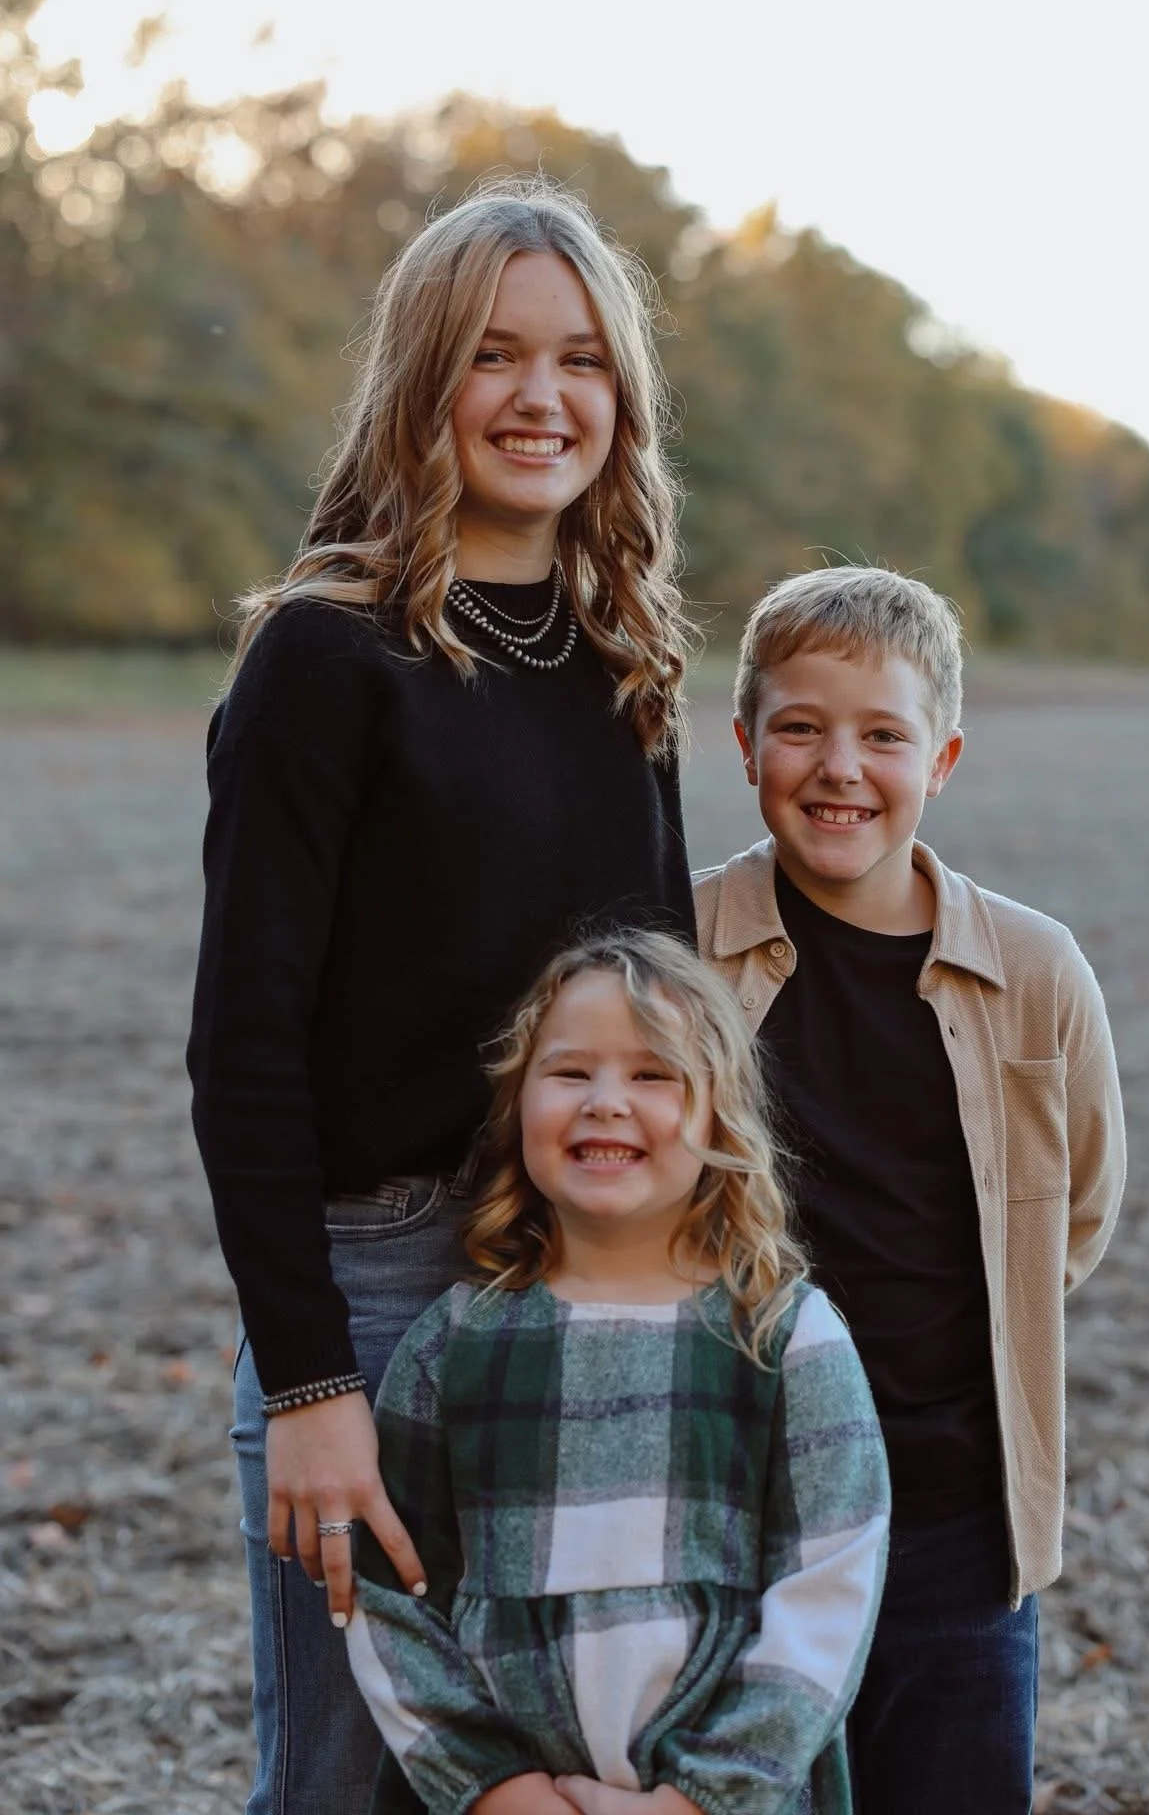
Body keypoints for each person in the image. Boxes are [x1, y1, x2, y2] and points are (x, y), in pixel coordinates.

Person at [186, 180, 699, 1815]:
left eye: (578, 360)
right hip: (380, 1290)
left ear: (619, 397)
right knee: (349, 1783)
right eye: (495, 354)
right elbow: (244, 1047)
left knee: (548, 1776)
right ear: (425, 379)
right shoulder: (325, 659)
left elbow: (668, 1020)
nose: (541, 397)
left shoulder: (627, 666)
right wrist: (310, 1384)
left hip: (583, 1281)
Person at [693, 564, 1126, 1814]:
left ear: (940, 757)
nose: (840, 766)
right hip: (733, 1520)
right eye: (800, 727)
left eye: (881, 734)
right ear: (744, 745)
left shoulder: (1034, 973)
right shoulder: (675, 949)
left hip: (954, 1523)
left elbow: (1077, 1213)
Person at [344, 928, 890, 1815]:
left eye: (653, 1075)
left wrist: (700, 1800)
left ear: (721, 1113)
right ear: (518, 1104)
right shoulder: (455, 1343)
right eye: (569, 1073)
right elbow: (388, 1593)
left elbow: (830, 1593)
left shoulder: (786, 1338)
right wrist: (495, 1792)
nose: (605, 1102)